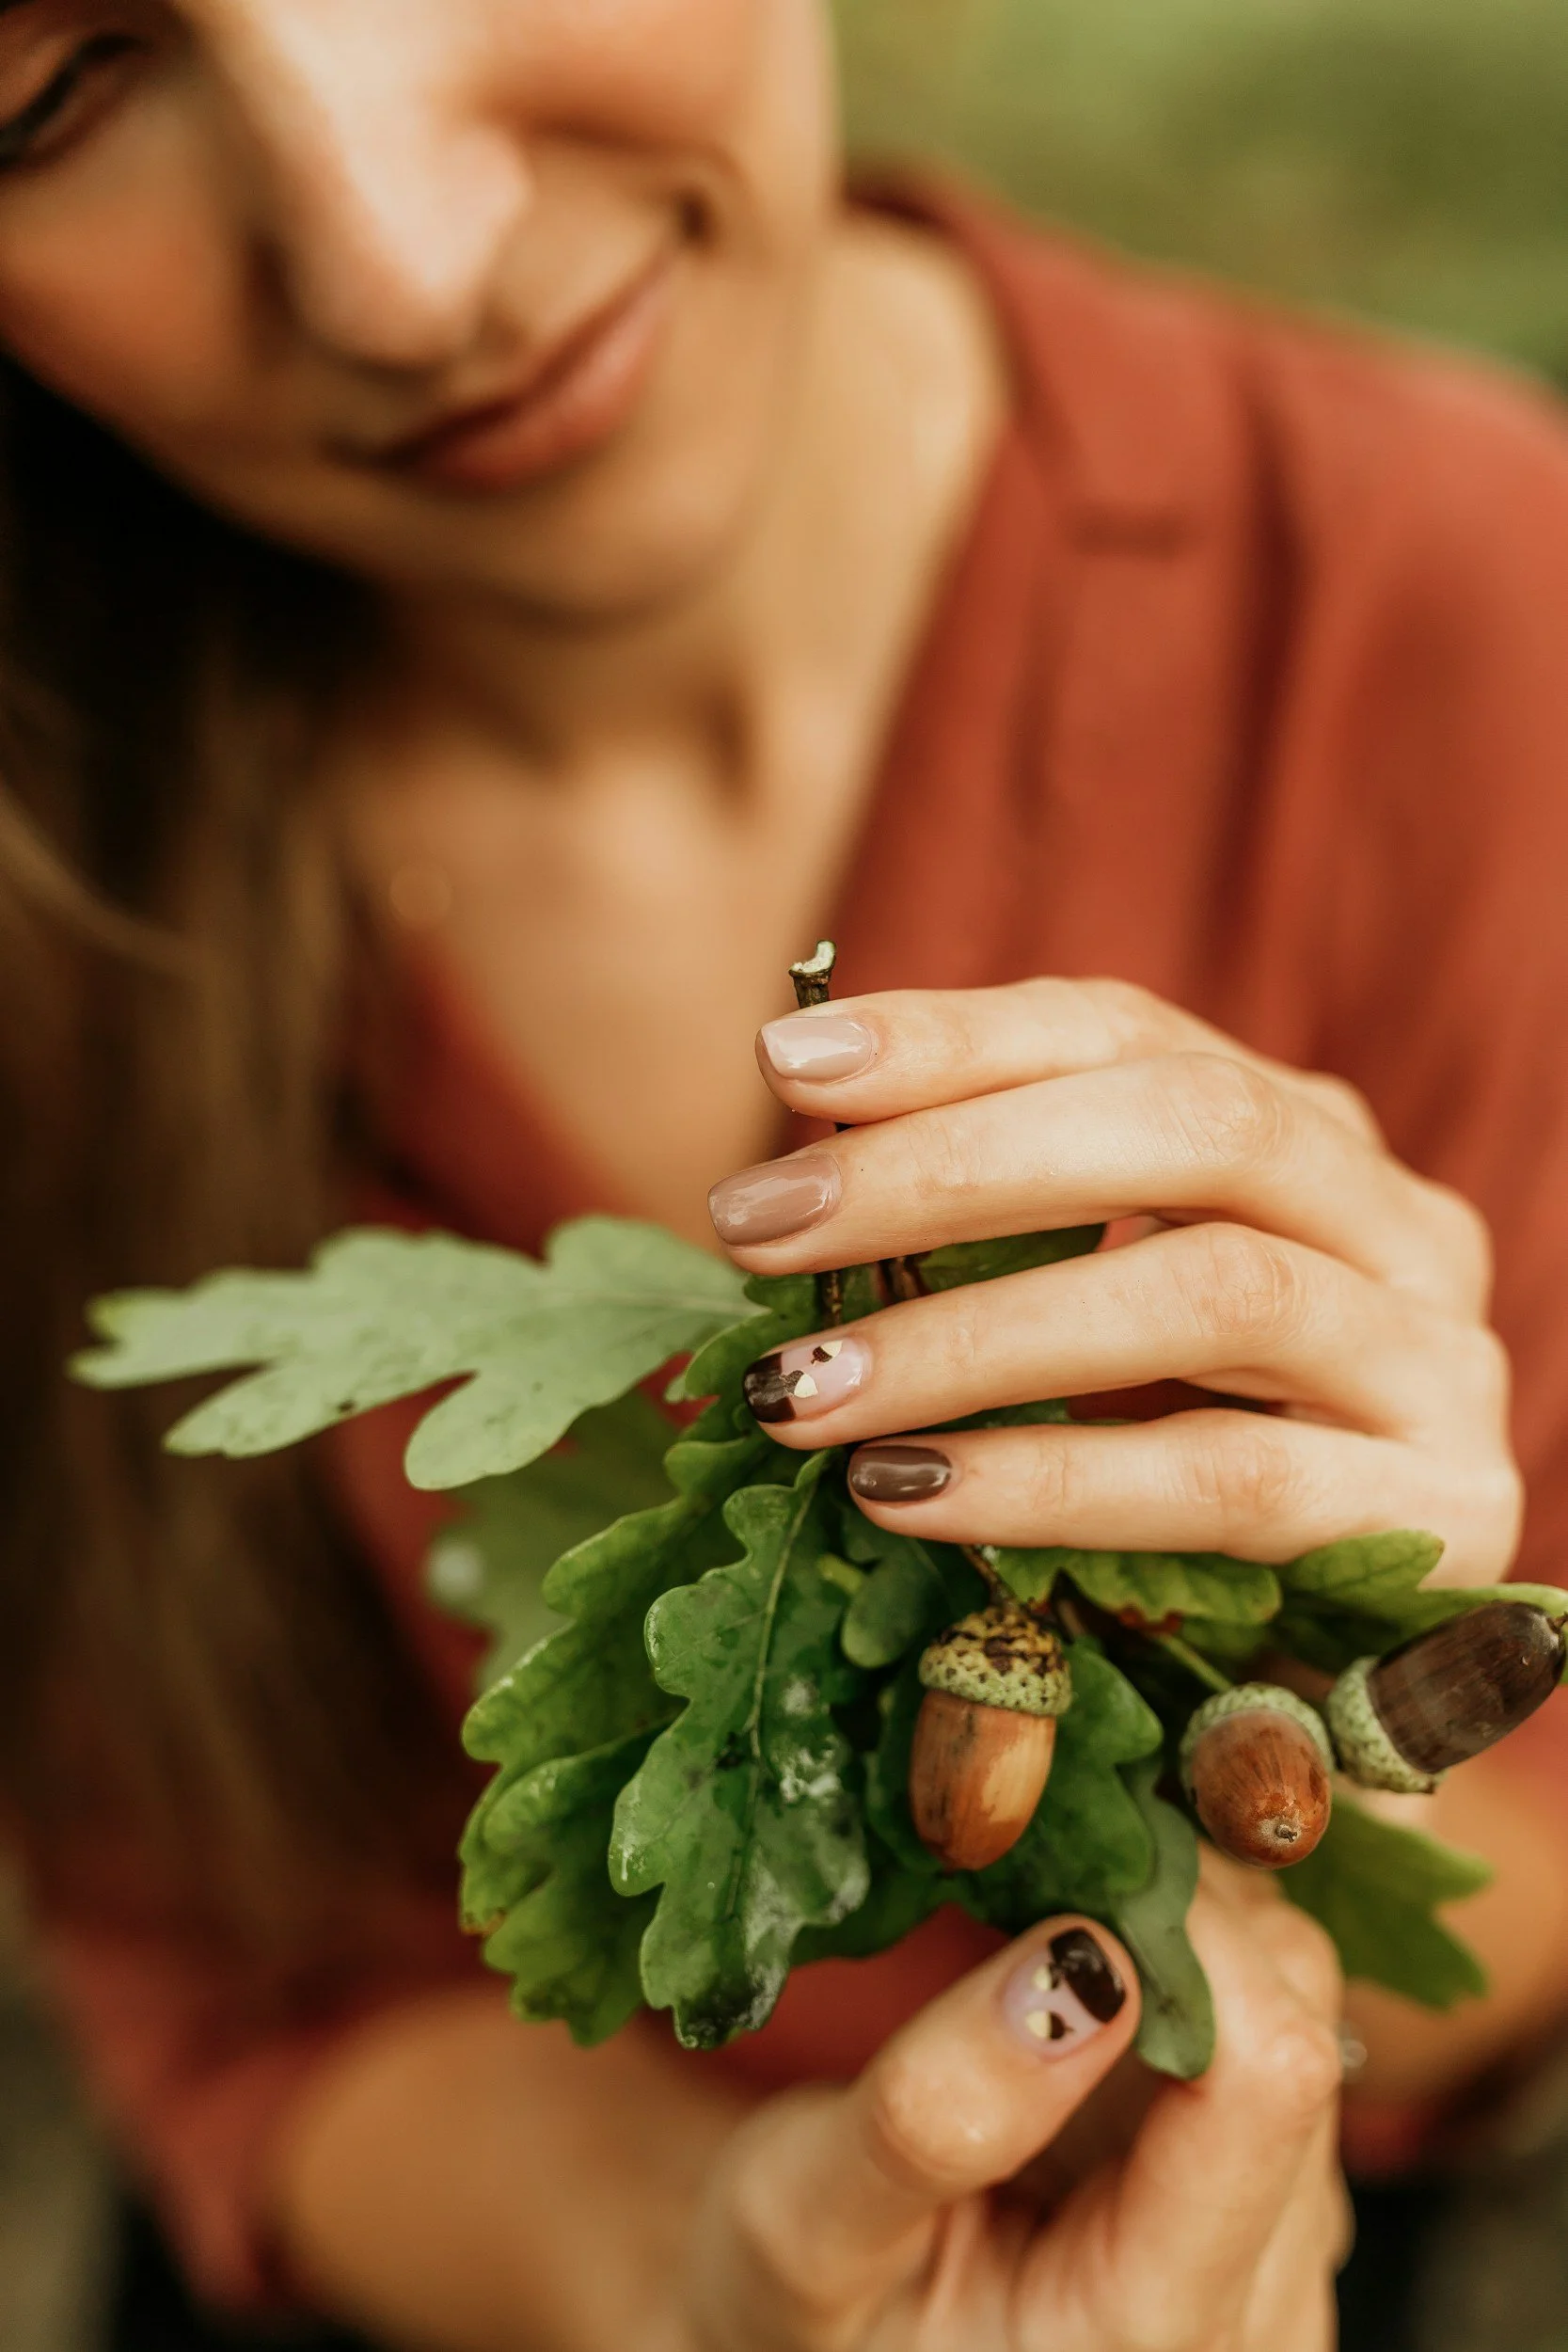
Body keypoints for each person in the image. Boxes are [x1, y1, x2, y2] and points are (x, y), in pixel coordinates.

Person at [0, 0, 1565, 2344]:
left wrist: (1302, 1731)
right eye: (41, 90)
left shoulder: (1471, 608)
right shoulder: (52, 897)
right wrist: (703, 2268)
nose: (409, 271)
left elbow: (1513, 1934)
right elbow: (224, 1992)